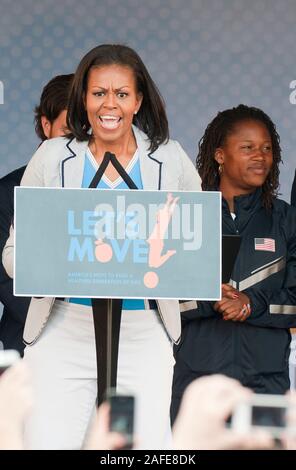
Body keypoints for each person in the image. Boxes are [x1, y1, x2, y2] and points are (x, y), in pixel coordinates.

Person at [2, 44, 201, 450]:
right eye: (98, 93)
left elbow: (196, 246)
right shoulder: (54, 157)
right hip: (63, 327)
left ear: (139, 100)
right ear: (84, 98)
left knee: (139, 447)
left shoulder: (170, 159)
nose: (109, 105)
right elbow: (12, 253)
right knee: (49, 442)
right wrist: (53, 262)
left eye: (122, 94)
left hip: (142, 332)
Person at [171, 104, 296, 423]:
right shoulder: (185, 214)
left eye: (267, 148)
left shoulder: (286, 220)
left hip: (265, 387)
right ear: (220, 155)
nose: (261, 156)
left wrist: (251, 305)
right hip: (196, 386)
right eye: (248, 148)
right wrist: (205, 299)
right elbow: (155, 298)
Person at [0, 74, 73, 355]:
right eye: (69, 131)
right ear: (46, 125)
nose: (77, 143)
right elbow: (5, 278)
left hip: (98, 346)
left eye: (86, 132)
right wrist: (61, 323)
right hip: (26, 343)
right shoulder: (8, 191)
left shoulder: (110, 194)